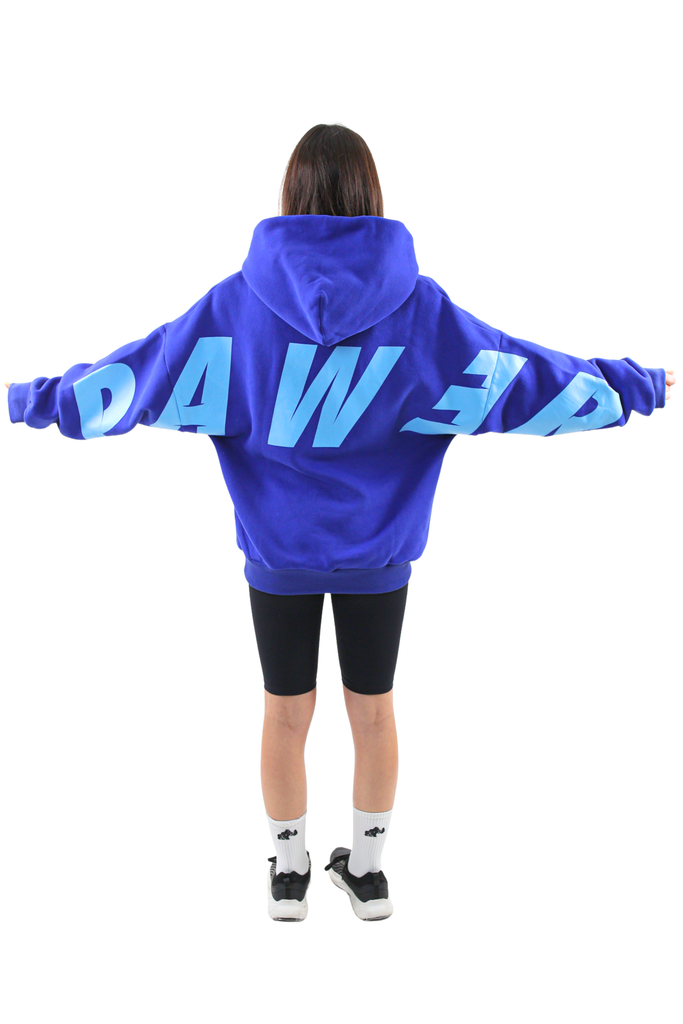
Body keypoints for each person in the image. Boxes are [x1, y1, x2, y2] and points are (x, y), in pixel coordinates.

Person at [5, 123, 676, 925]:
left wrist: (23, 400)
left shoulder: (233, 308)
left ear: (290, 194)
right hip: (378, 558)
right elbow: (526, 383)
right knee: (375, 710)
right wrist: (639, 384)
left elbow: (130, 382)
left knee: (284, 713)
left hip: (277, 558)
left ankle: (288, 875)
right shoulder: (422, 314)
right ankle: (368, 874)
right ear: (370, 193)